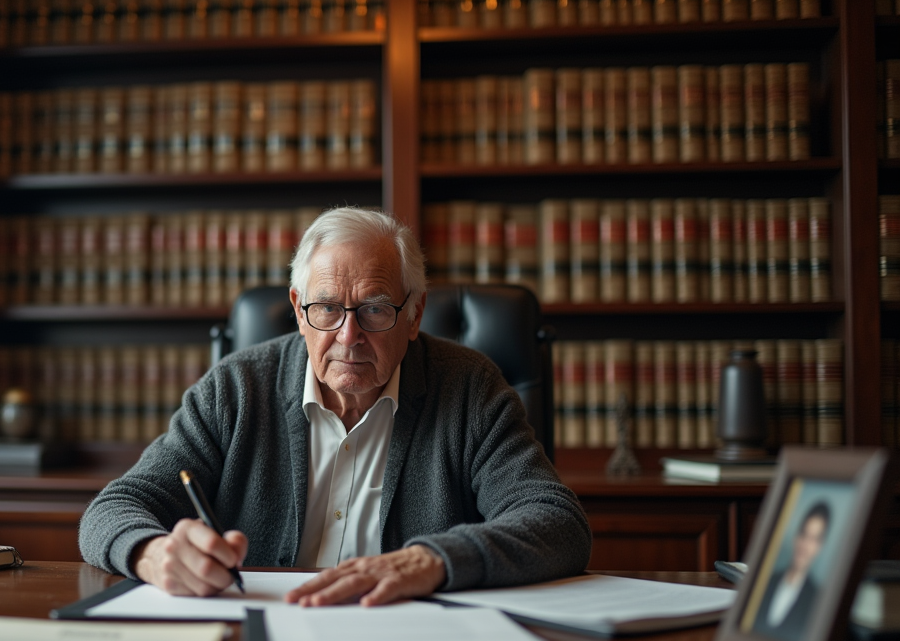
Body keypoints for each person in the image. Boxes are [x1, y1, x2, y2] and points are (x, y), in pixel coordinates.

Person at [79, 207, 590, 606]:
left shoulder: (470, 389)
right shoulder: (235, 388)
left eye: (374, 309)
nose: (349, 336)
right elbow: (112, 510)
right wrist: (153, 554)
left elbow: (555, 521)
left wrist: (429, 561)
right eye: (326, 308)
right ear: (299, 310)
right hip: (259, 633)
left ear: (414, 315)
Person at [752, 500, 830, 641]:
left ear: (820, 547)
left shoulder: (817, 599)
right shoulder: (766, 582)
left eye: (814, 539)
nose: (805, 545)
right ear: (796, 537)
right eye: (804, 534)